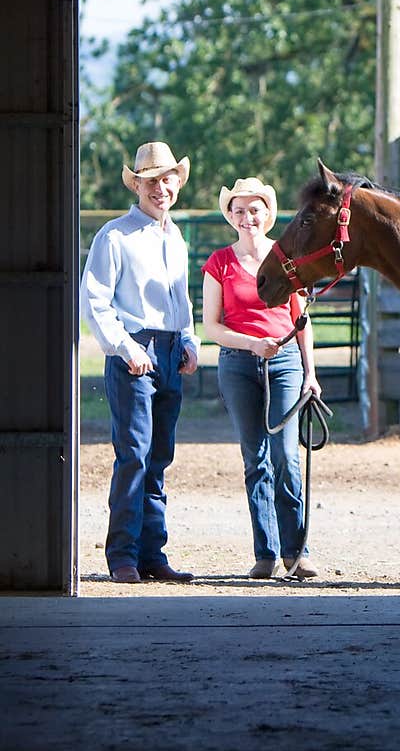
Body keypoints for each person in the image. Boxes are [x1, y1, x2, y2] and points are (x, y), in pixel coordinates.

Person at [80, 141, 200, 584]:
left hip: (169, 348)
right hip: (135, 347)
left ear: (176, 184)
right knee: (133, 453)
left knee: (159, 456)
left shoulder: (176, 237)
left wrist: (188, 339)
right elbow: (94, 301)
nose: (161, 188)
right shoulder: (114, 235)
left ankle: (153, 553)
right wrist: (124, 347)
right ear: (138, 186)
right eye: (151, 181)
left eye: (167, 179)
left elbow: (181, 300)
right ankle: (123, 556)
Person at [201, 177, 322, 581]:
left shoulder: (285, 256)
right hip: (238, 363)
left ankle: (298, 551)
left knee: (286, 456)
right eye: (239, 210)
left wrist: (310, 371)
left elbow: (301, 319)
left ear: (267, 214)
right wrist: (251, 344)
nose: (247, 217)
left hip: (284, 361)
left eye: (254, 209)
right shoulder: (220, 263)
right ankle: (266, 552)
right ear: (230, 216)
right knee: (255, 457)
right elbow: (212, 327)